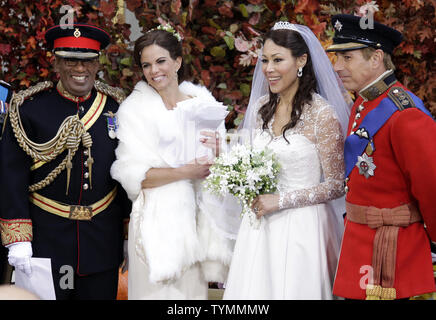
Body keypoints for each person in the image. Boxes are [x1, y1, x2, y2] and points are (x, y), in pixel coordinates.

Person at [0, 23, 132, 300]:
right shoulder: (30, 109)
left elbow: (127, 174)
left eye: (87, 61)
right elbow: (11, 177)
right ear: (57, 63)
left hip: (102, 240)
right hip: (47, 239)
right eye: (70, 60)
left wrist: (129, 233)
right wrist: (18, 238)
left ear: (97, 65)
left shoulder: (117, 108)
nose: (79, 69)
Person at [222, 22, 352, 300]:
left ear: (301, 60)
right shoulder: (259, 109)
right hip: (259, 226)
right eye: (265, 60)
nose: (268, 69)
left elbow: (336, 186)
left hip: (303, 229)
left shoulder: (322, 114)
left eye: (278, 60)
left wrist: (280, 201)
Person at [110, 25, 234, 300]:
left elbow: (221, 172)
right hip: (157, 226)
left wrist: (219, 153)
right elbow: (134, 176)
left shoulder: (204, 103)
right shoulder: (134, 111)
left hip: (200, 221)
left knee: (192, 298)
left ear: (177, 61)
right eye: (147, 65)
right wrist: (184, 172)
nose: (154, 71)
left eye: (161, 61)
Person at [327, 14, 436, 300]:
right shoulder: (364, 101)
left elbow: (431, 185)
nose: (337, 67)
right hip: (360, 240)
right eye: (338, 58)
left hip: (392, 248)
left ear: (376, 58)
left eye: (347, 58)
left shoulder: (405, 114)